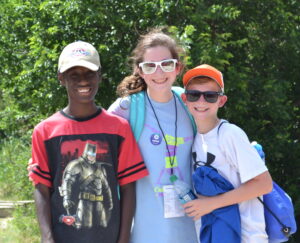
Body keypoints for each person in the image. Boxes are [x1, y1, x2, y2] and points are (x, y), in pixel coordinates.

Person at [28, 41, 148, 243]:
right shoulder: (45, 131)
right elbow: (42, 189)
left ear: (99, 75)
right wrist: (47, 238)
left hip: (107, 231)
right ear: (61, 78)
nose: (83, 80)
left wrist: (124, 238)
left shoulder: (118, 128)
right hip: (66, 232)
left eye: (89, 73)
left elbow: (127, 187)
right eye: (74, 75)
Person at [108, 29, 198, 243]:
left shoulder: (189, 102)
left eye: (166, 64)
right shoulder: (128, 108)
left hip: (193, 230)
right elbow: (91, 138)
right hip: (145, 233)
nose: (159, 73)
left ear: (178, 67)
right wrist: (52, 162)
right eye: (150, 66)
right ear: (140, 70)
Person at [180, 64, 273, 243]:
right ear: (185, 99)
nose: (201, 102)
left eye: (210, 96)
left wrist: (210, 204)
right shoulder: (193, 139)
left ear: (221, 101)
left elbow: (263, 184)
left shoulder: (230, 134)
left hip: (247, 237)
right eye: (194, 95)